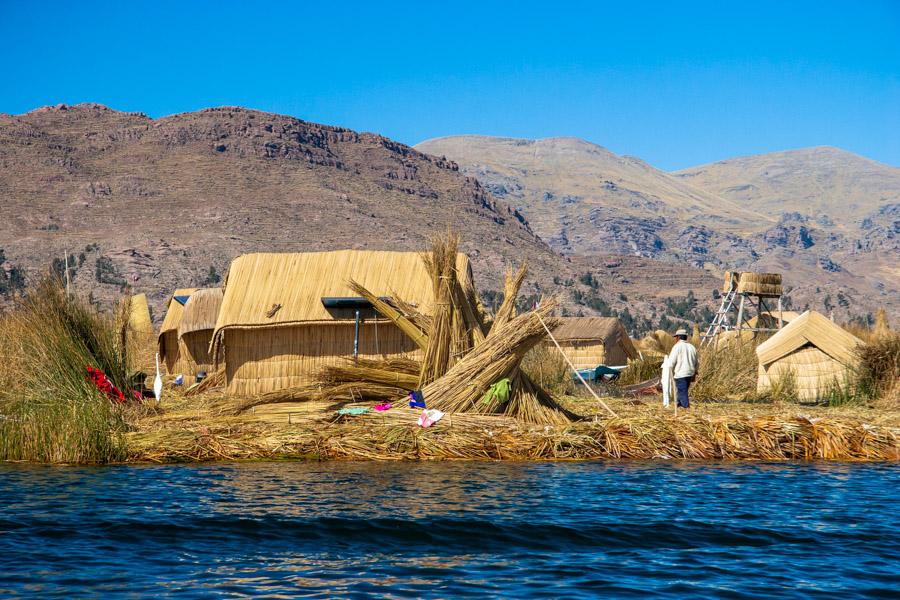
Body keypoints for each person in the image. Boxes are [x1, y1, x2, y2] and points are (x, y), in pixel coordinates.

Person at [669, 328, 699, 409]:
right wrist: (695, 372)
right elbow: (697, 362)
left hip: (681, 374)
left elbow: (671, 362)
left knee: (682, 392)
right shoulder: (692, 347)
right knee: (682, 391)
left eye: (676, 337)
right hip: (690, 373)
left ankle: (686, 408)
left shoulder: (677, 347)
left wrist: (668, 371)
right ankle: (679, 406)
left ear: (678, 337)